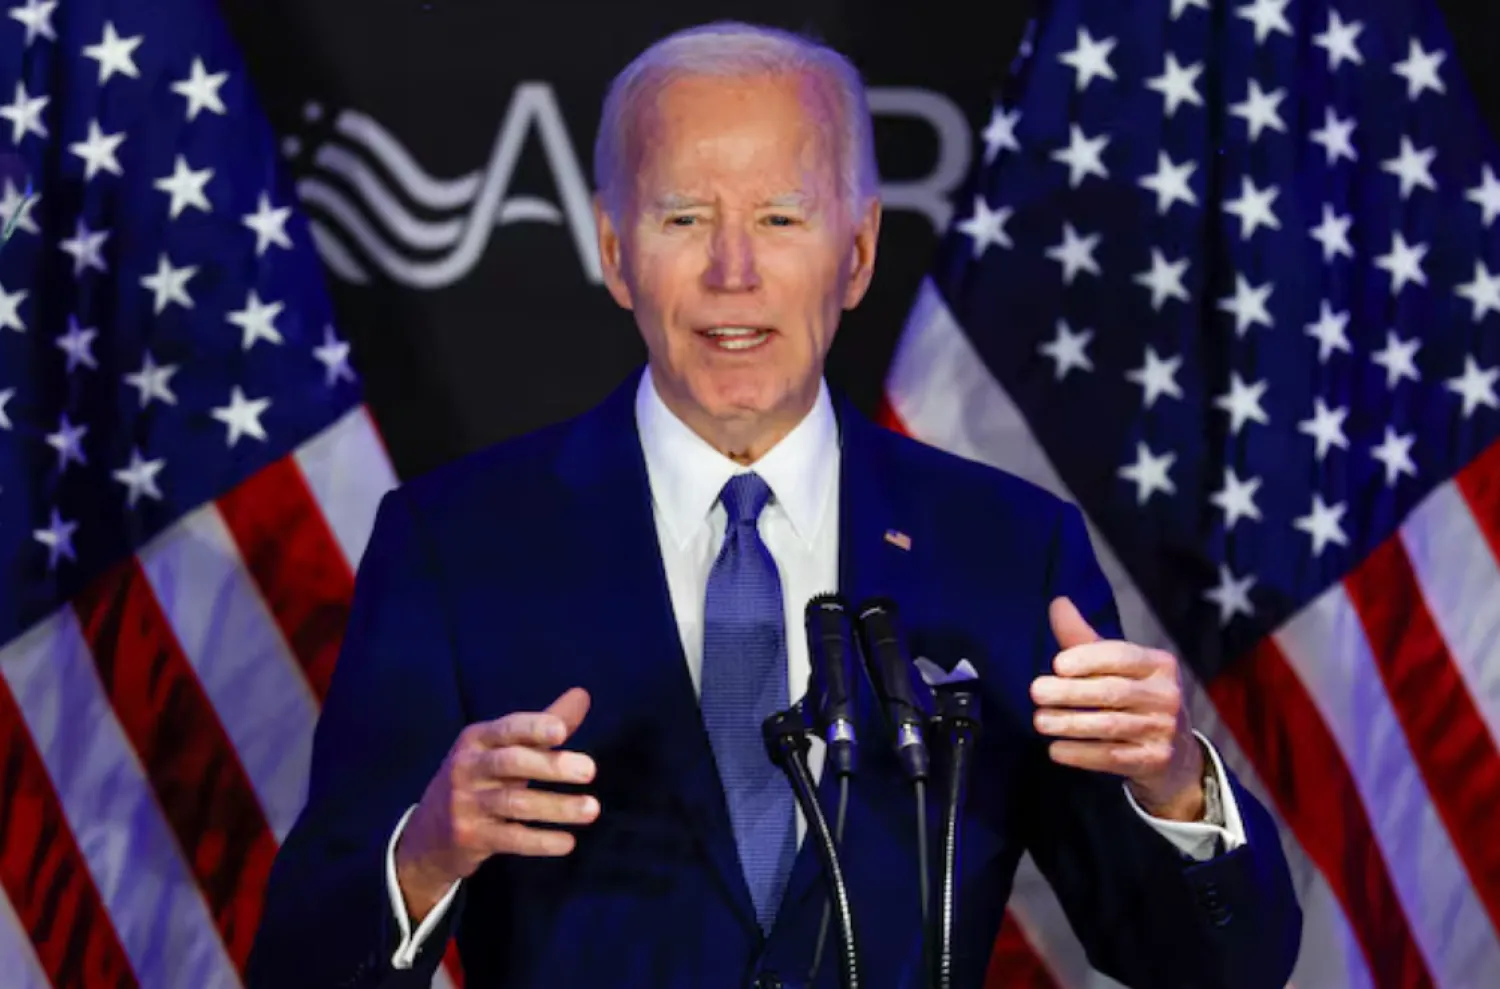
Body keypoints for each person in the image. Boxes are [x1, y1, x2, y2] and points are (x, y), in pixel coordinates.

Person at [246, 20, 1301, 989]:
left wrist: (1172, 788)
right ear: (616, 251)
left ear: (857, 251)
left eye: (781, 216)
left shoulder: (1010, 551)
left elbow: (1219, 967)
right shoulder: (455, 546)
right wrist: (429, 850)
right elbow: (301, 965)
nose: (732, 271)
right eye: (685, 217)